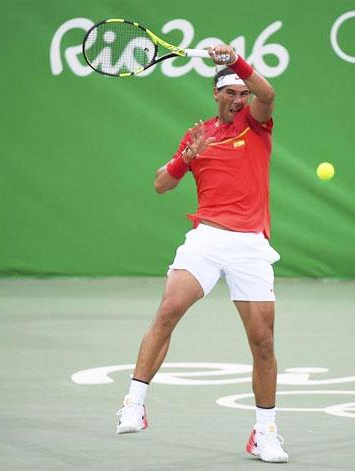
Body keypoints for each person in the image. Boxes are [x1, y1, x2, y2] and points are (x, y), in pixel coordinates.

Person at [115, 44, 288, 463]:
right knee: (168, 309)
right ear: (215, 94)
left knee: (262, 342)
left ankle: (264, 432)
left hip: (250, 244)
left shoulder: (257, 124)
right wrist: (183, 160)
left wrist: (235, 63)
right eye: (230, 92)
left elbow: (268, 95)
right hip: (207, 239)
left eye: (241, 93)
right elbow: (160, 184)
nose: (238, 99)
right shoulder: (199, 135)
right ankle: (134, 402)